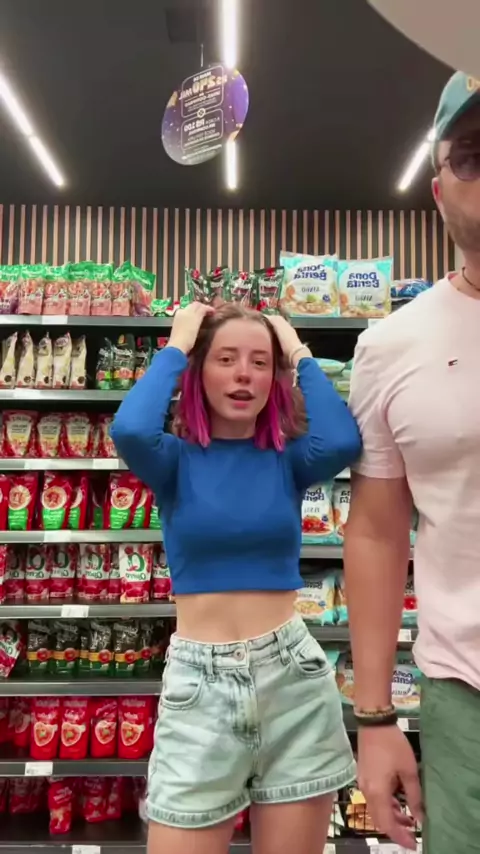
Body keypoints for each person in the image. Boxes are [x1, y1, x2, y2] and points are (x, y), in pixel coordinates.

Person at [112, 301, 361, 854]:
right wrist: (178, 343)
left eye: (260, 362)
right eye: (225, 359)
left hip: (292, 679)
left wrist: (297, 350)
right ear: (198, 372)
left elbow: (343, 441)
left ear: (276, 378)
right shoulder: (173, 460)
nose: (244, 374)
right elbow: (130, 428)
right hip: (199, 684)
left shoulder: (288, 459)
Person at [344, 71, 480, 854]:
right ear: (438, 190)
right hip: (465, 707)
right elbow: (375, 531)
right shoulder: (389, 347)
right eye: (474, 155)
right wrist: (374, 718)